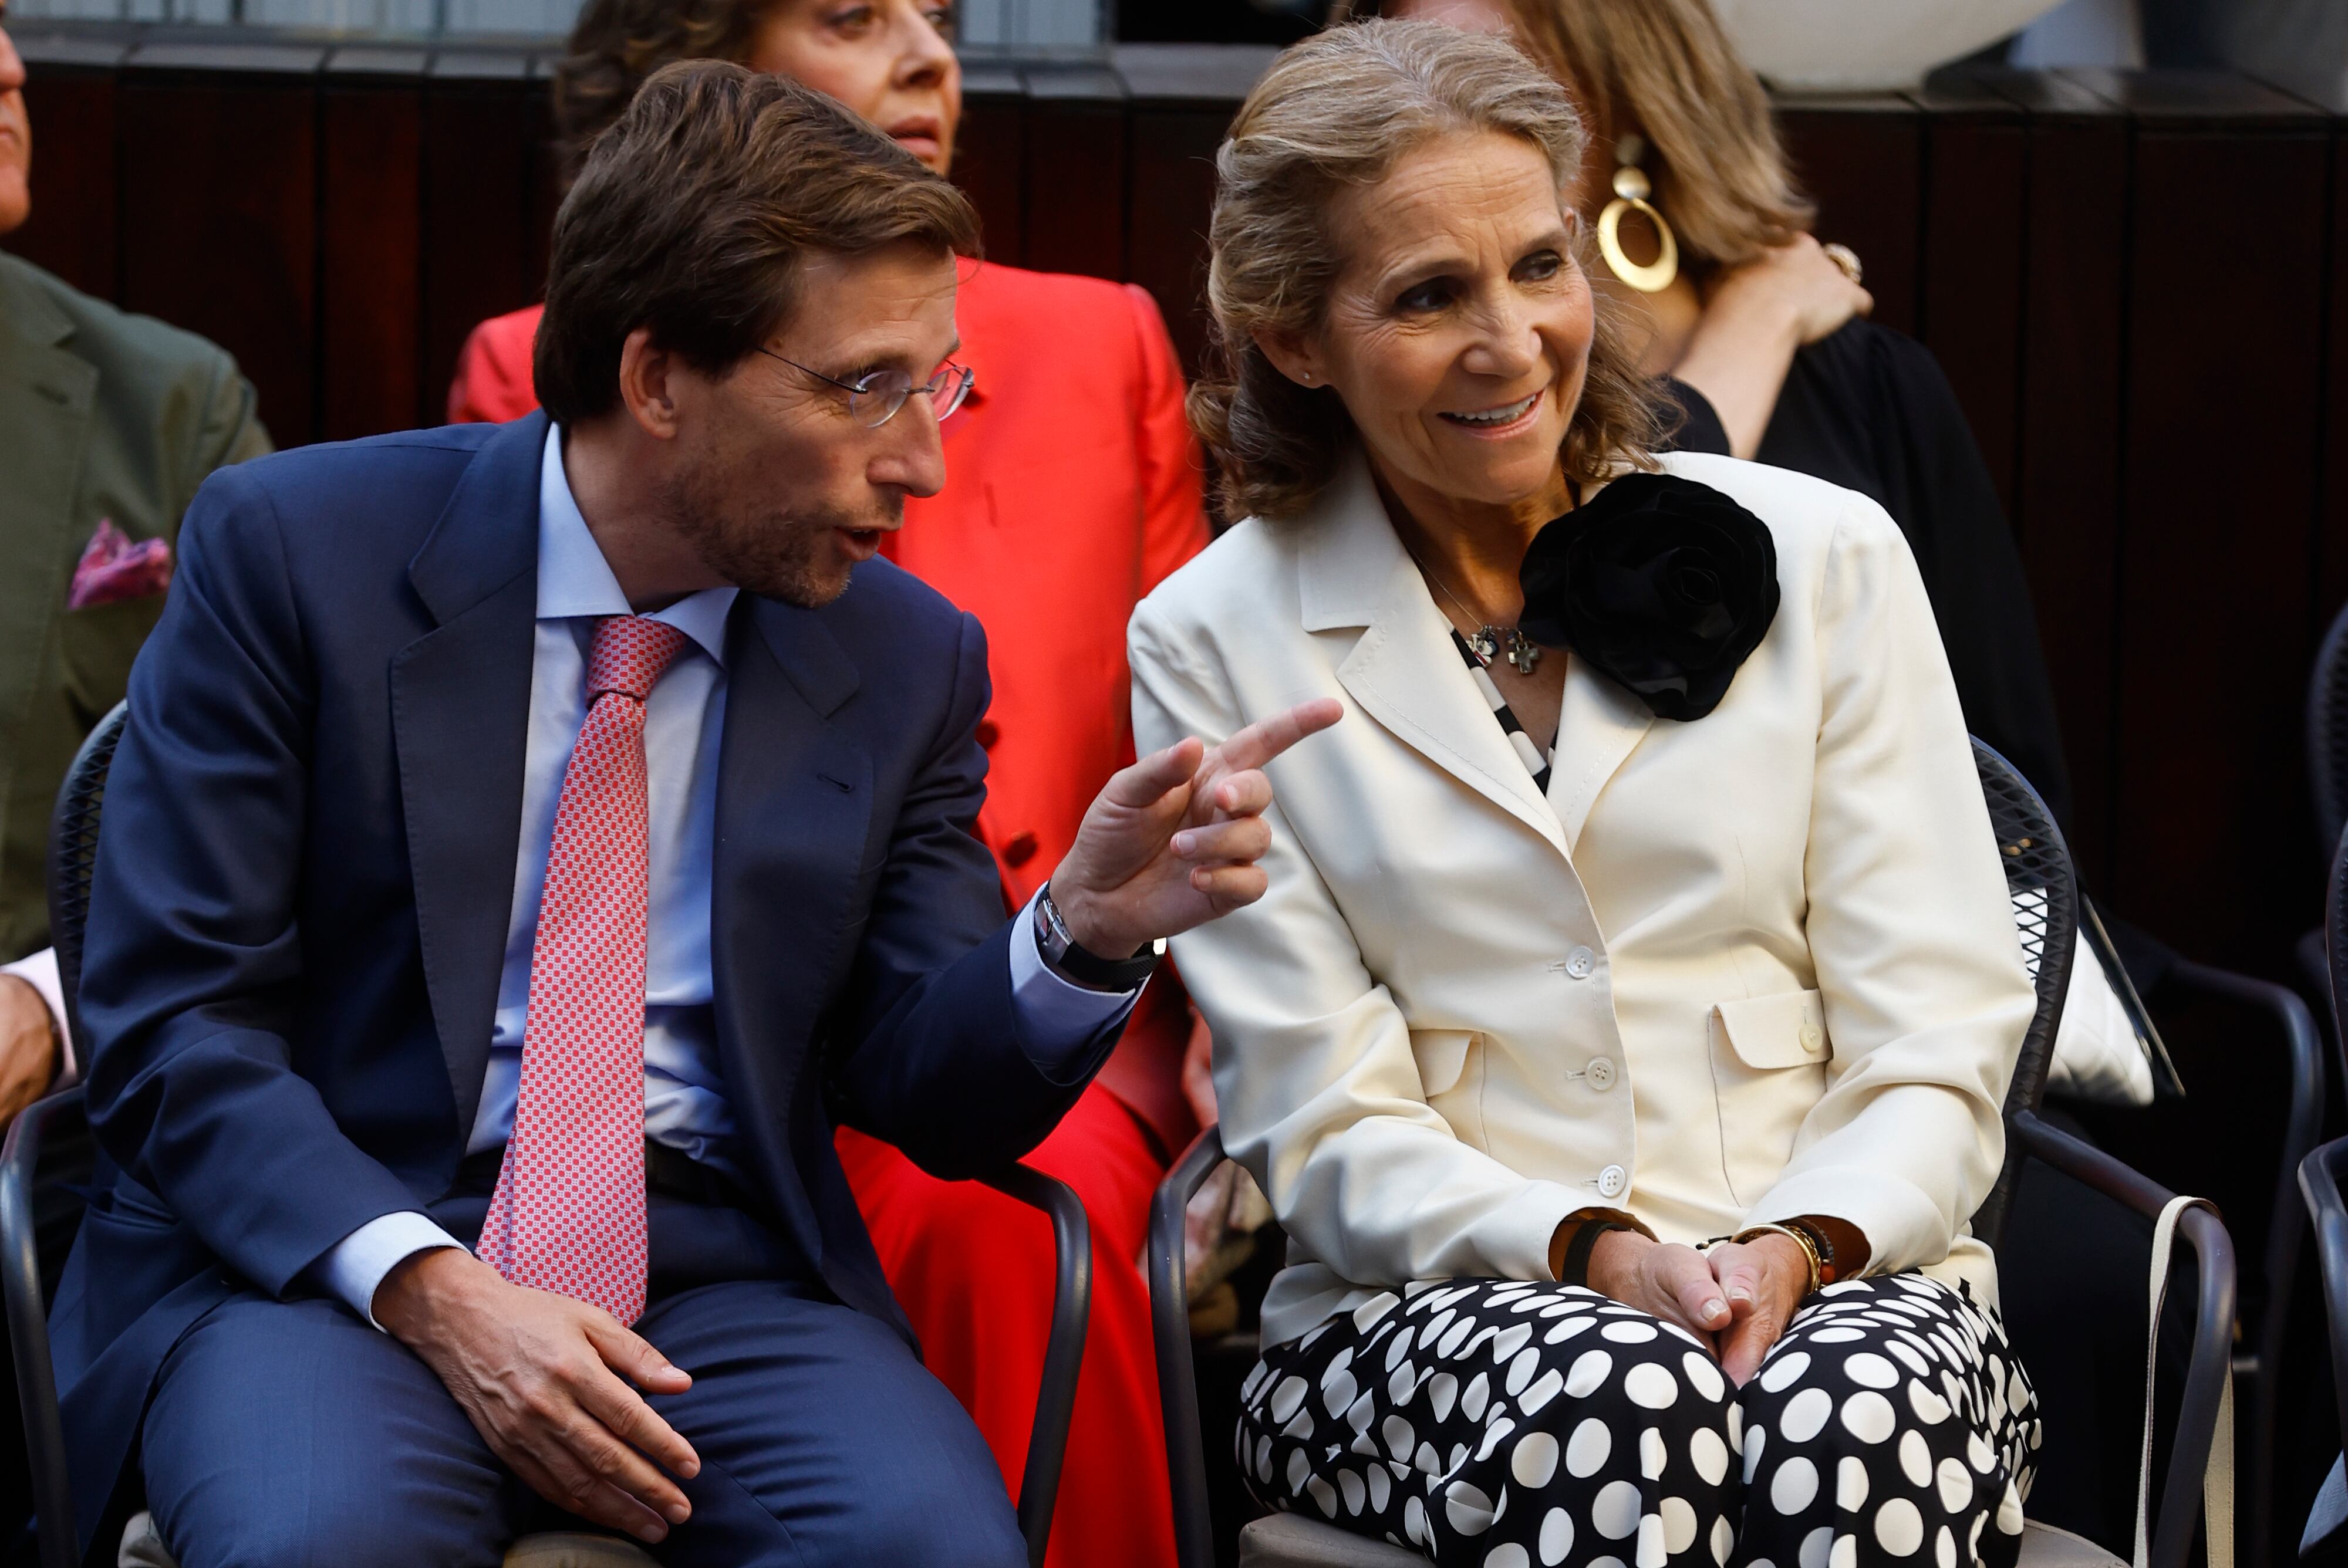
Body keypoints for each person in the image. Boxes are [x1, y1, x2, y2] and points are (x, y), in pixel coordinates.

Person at [56, 62, 1335, 1567]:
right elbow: (176, 1024)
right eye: (864, 387)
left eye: (941, 385)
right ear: (658, 380)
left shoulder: (896, 655)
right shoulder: (298, 555)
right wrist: (434, 1289)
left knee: (929, 1549)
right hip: (323, 1266)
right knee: (330, 1543)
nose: (921, 458)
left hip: (713, 1281)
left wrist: (1083, 932)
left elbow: (932, 1085)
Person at [1129, 22, 2042, 1566]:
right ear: (1294, 335)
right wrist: (1591, 1255)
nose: (1511, 342)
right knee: (1618, 1400)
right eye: (1429, 296)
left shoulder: (1828, 555)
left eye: (1541, 267)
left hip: (1850, 1272)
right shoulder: (1214, 637)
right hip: (1419, 1309)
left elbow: (1941, 1024)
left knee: (1853, 1418)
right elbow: (1319, 1119)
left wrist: (1802, 1244)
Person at [447, 6, 1216, 1561]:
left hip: (1000, 993)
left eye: (943, 13)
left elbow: (1190, 718)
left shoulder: (1097, 341)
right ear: (701, 57)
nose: (931, 55)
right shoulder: (546, 372)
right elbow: (511, 788)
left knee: (1003, 1200)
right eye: (856, 14)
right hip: (692, 1022)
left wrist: (1153, 976)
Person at [1344, 0, 2073, 836]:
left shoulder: (1868, 384)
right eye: (1397, 69)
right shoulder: (1385, 405)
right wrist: (1745, 345)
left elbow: (2013, 786)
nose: (1434, 107)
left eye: (1497, 73)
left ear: (1628, 96)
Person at [0, 0, 269, 1127]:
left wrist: (47, 1000)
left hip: (58, 1144)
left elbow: (275, 793)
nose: (6, 69)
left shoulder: (168, 403)